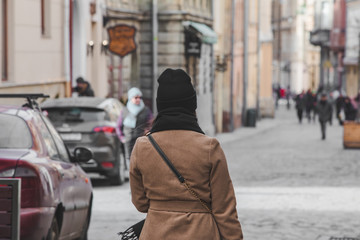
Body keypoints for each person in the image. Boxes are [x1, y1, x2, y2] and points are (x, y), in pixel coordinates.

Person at [129, 69, 243, 239]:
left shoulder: (142, 146)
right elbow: (225, 209)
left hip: (156, 232)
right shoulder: (209, 147)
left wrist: (162, 205)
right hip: (201, 233)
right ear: (192, 106)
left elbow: (140, 203)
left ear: (160, 105)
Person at [116, 87, 153, 177]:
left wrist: (148, 133)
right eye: (135, 97)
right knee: (129, 161)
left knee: (141, 161)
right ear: (130, 98)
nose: (138, 99)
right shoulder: (125, 110)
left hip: (141, 140)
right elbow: (118, 126)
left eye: (139, 97)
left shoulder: (145, 110)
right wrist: (122, 138)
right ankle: (132, 184)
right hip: (128, 140)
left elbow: (151, 124)